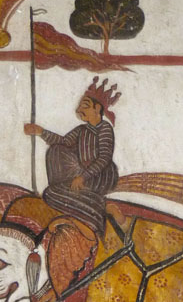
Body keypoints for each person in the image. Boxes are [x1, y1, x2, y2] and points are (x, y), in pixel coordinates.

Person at [24, 77, 120, 237]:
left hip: (101, 176)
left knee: (52, 194)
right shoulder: (81, 130)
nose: (79, 109)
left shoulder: (104, 129)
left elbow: (104, 158)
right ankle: (78, 199)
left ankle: (100, 210)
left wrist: (83, 177)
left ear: (97, 108)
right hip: (83, 174)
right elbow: (63, 142)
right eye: (79, 105)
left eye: (84, 105)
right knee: (55, 154)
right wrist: (40, 132)